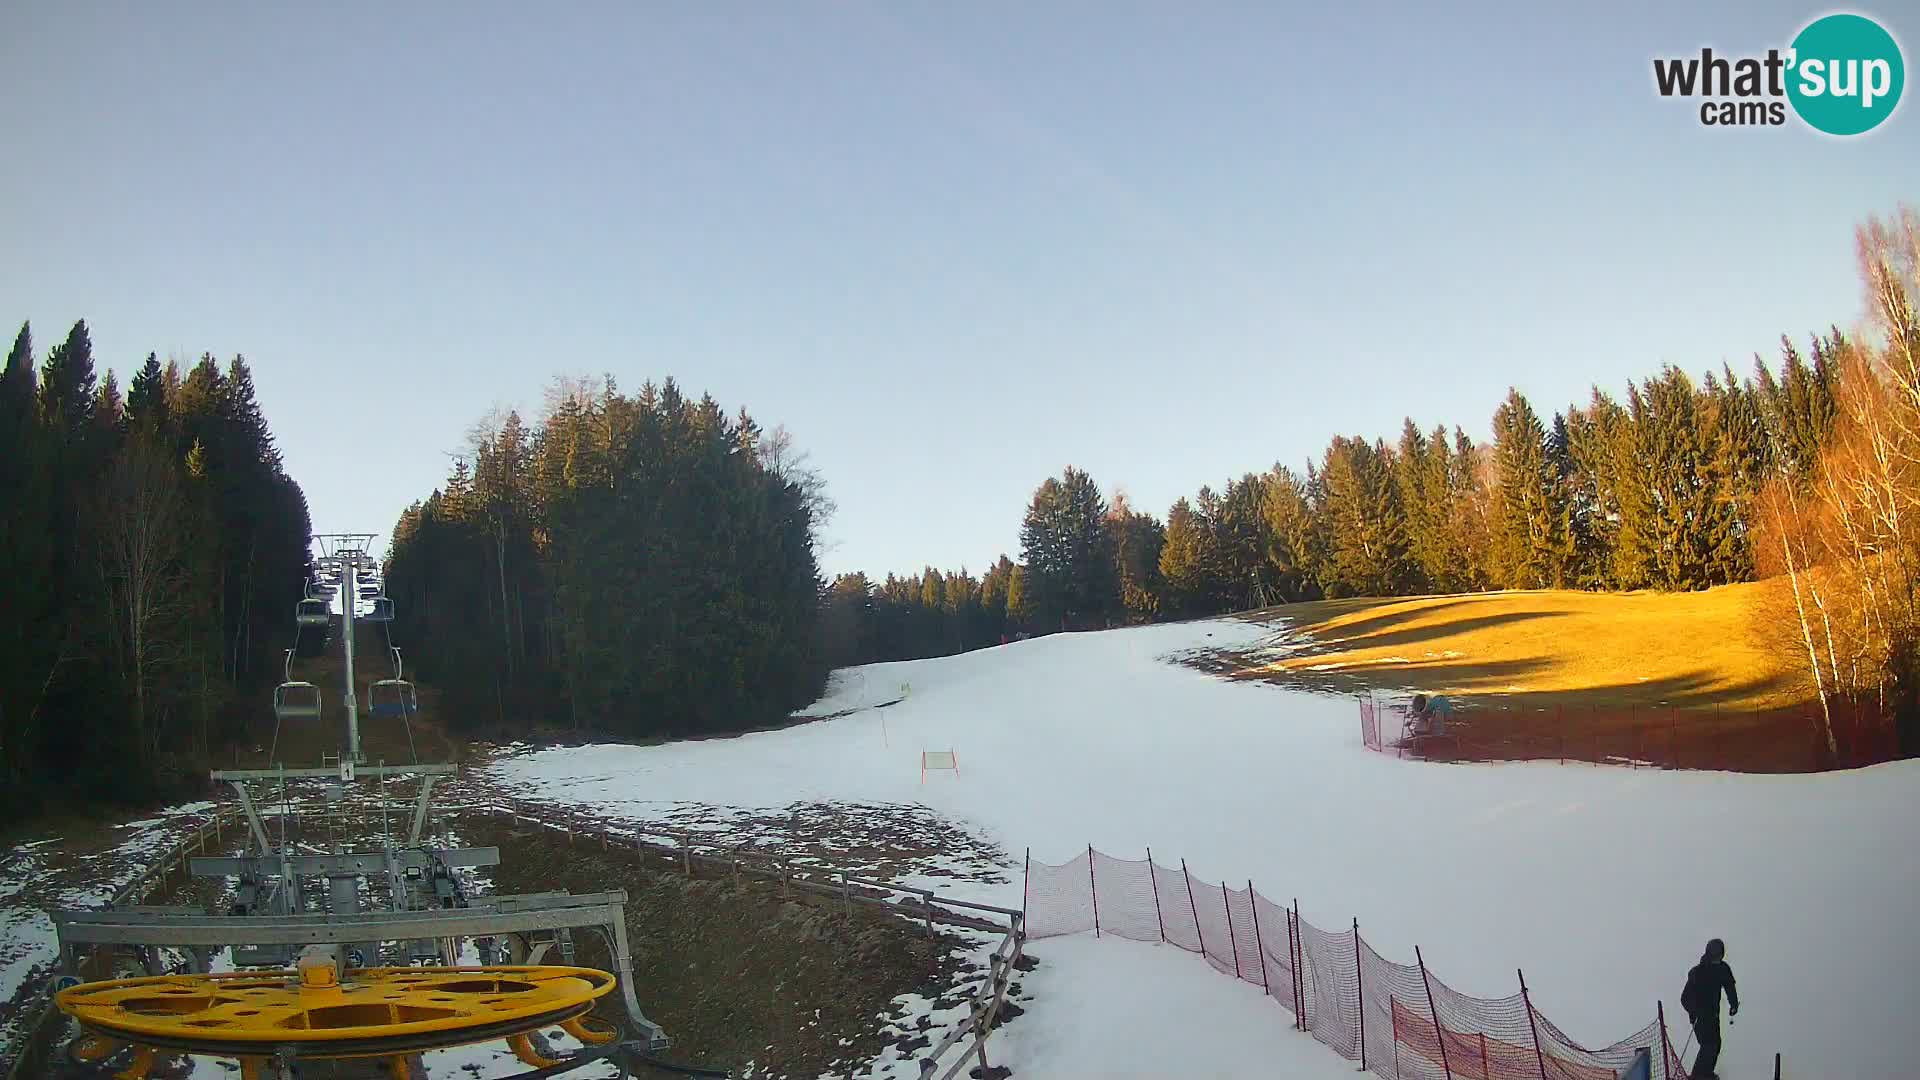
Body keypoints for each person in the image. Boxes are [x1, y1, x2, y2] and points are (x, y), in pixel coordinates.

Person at [1681, 938, 1739, 1079]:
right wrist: (1694, 1012)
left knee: (1715, 1045)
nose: (1717, 959)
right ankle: (1698, 1076)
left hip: (1713, 1016)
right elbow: (1685, 998)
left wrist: (1734, 1003)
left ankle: (1705, 1074)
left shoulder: (1722, 969)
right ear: (1708, 954)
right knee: (1709, 1045)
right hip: (1700, 1018)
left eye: (1719, 955)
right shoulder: (1697, 973)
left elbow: (1729, 986)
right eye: (1714, 956)